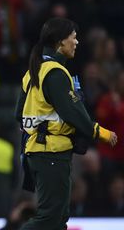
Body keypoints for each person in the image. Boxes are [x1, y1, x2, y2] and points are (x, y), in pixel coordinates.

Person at [16, 17, 118, 229]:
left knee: (59, 220)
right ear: (61, 41)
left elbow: (19, 113)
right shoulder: (55, 72)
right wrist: (101, 133)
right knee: (50, 218)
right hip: (51, 153)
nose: (77, 42)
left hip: (38, 151)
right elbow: (73, 112)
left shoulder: (34, 71)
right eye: (73, 37)